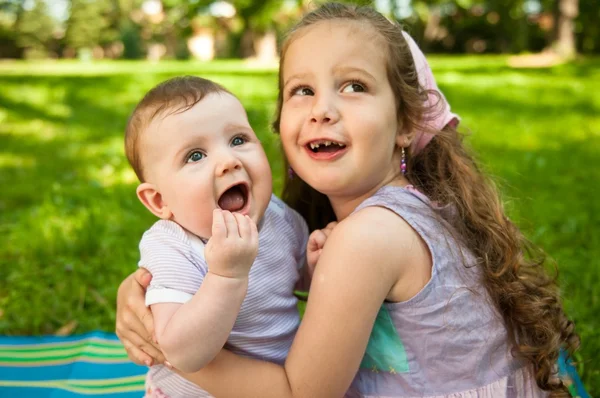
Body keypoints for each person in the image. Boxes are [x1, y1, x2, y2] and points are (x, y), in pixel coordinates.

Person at [116, 3, 579, 397]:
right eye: (302, 91)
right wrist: (152, 297)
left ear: (404, 123)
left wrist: (172, 351)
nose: (322, 109)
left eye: (354, 86)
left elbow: (300, 392)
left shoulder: (368, 238)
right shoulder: (408, 206)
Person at [121, 75, 335, 396]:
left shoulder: (277, 217)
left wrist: (312, 266)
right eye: (195, 155)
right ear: (159, 201)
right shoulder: (171, 247)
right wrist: (226, 276)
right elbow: (181, 354)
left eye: (237, 140)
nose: (228, 162)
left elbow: (291, 284)